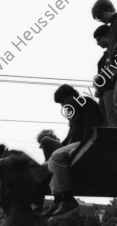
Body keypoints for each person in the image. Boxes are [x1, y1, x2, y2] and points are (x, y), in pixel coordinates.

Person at [45, 84, 104, 217]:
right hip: (77, 143)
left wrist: (80, 148)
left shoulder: (86, 103)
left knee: (56, 156)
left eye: (63, 101)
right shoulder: (75, 111)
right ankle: (57, 201)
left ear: (71, 96)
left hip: (87, 142)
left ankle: (68, 200)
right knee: (50, 161)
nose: (62, 106)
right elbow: (72, 134)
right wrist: (64, 145)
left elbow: (91, 127)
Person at [93, 24, 117, 126]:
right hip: (103, 92)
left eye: (99, 39)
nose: (97, 43)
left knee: (113, 122)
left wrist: (100, 78)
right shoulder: (105, 56)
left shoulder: (116, 52)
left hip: (111, 90)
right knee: (105, 123)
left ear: (107, 36)